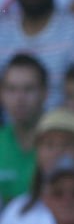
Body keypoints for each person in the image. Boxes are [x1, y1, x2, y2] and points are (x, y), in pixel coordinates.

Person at [0, 54, 47, 206]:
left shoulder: (63, 144)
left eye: (28, 89)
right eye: (11, 89)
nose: (19, 98)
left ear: (44, 93)